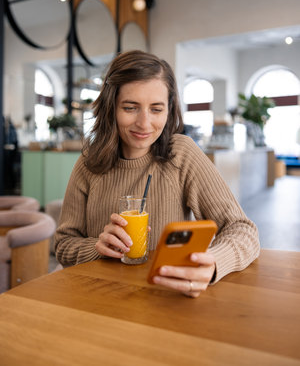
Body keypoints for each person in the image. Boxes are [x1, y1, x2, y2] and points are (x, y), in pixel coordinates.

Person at [55, 50, 260, 298]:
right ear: (111, 108)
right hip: (100, 300)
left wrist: (213, 262)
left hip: (163, 300)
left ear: (169, 109)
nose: (144, 123)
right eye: (130, 108)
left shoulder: (181, 154)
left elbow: (243, 229)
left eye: (156, 109)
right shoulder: (90, 162)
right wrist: (98, 246)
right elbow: (64, 244)